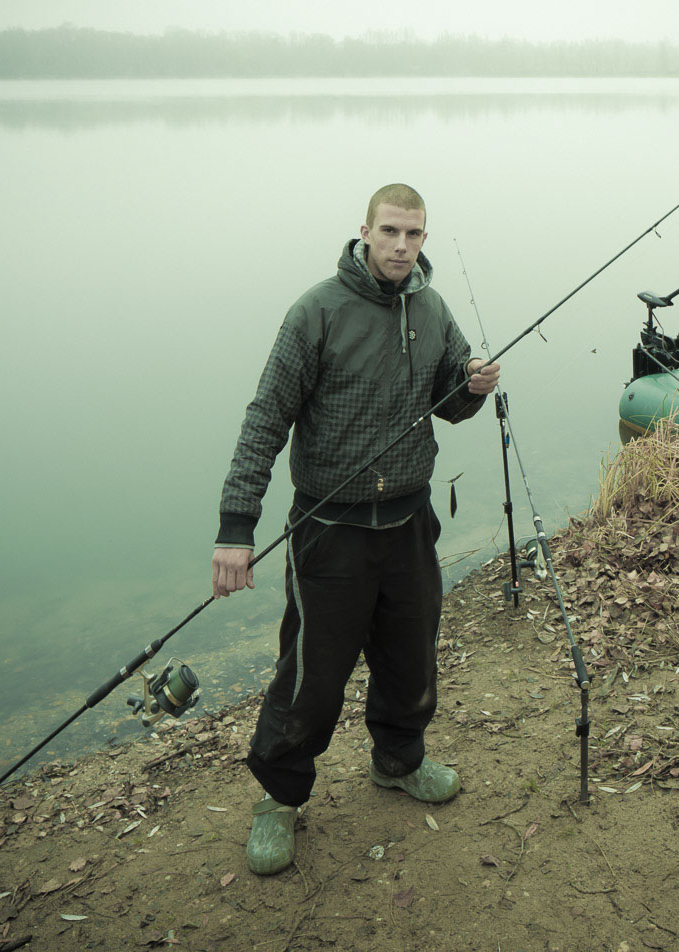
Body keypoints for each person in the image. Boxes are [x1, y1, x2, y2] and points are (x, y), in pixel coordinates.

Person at [211, 183, 500, 875]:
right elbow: (265, 419)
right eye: (392, 231)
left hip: (408, 519)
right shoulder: (316, 312)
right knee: (311, 675)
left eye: (415, 234)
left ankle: (398, 761)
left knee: (411, 656)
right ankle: (279, 800)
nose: (403, 246)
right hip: (328, 529)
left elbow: (450, 402)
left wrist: (473, 387)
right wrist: (235, 528)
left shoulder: (431, 309)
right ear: (364, 232)